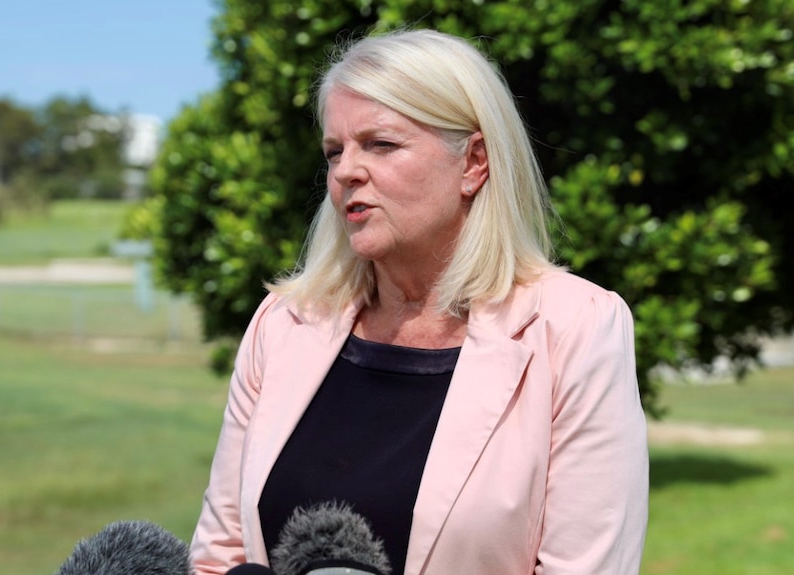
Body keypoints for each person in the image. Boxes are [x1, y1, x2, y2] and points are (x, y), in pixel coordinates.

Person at [190, 28, 648, 575]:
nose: (346, 171)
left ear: (474, 162)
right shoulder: (284, 324)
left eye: (380, 144)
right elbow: (219, 555)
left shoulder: (575, 327)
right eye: (334, 151)